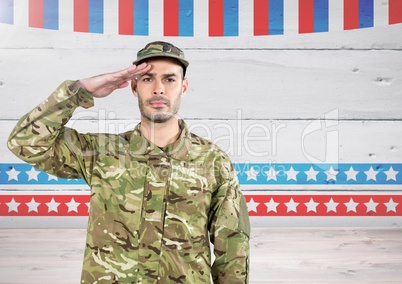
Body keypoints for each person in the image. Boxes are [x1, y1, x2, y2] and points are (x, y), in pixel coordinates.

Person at [8, 41, 250, 283]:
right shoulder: (100, 153)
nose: (158, 89)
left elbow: (233, 246)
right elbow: (25, 141)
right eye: (147, 79)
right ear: (134, 87)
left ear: (183, 87)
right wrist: (79, 90)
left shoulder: (212, 161)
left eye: (169, 79)